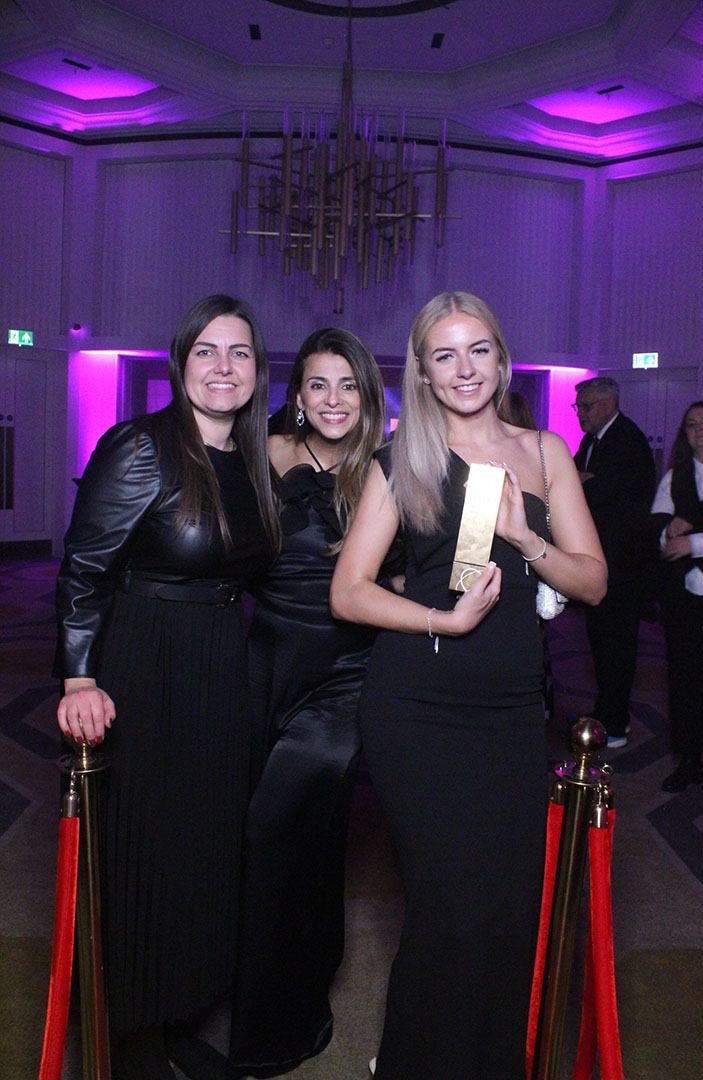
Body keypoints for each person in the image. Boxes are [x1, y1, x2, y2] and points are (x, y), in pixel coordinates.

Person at [330, 291, 606, 1080]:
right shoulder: (402, 459)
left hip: (513, 715)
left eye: (477, 350)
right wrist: (442, 621)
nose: (464, 369)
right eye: (443, 355)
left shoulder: (546, 453)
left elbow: (592, 581)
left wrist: (525, 538)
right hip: (416, 710)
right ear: (422, 371)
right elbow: (348, 592)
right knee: (448, 911)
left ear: (501, 358)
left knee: (508, 911)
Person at [54, 294, 279, 1080]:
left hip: (218, 660)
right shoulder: (140, 448)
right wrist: (79, 675)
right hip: (143, 661)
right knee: (143, 851)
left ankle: (179, 1011)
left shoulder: (250, 459)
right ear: (181, 363)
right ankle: (130, 1034)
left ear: (257, 369)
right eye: (207, 351)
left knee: (203, 849)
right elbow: (85, 569)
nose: (223, 367)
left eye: (240, 352)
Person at [228, 328, 387, 1077]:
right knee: (308, 846)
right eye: (319, 384)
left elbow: (408, 573)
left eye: (349, 385)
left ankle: (267, 1035)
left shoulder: (386, 467)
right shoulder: (261, 454)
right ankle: (306, 991)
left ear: (368, 395)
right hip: (263, 666)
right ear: (297, 395)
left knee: (270, 832)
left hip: (344, 677)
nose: (333, 400)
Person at [573, 376, 656, 748]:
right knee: (601, 644)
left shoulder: (627, 440)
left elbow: (603, 493)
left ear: (607, 404)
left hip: (624, 566)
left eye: (586, 406)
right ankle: (605, 712)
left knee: (618, 646)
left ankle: (616, 723)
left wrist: (586, 483)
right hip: (602, 561)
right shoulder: (592, 441)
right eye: (578, 406)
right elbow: (575, 481)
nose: (580, 413)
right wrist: (584, 481)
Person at [651, 401, 703, 793]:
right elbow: (656, 526)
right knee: (684, 680)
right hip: (684, 595)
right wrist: (668, 532)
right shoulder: (673, 477)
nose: (699, 428)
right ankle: (689, 759)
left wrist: (695, 543)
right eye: (691, 423)